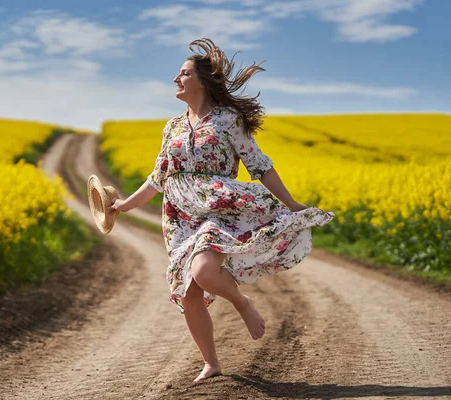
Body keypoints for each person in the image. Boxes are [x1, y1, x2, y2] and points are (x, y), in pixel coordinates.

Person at [109, 38, 334, 382]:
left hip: (218, 210)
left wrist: (291, 204)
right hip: (179, 217)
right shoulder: (172, 127)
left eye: (183, 73)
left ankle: (242, 303)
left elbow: (259, 165)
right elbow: (158, 178)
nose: (175, 79)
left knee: (203, 271)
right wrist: (123, 205)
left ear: (201, 81)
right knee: (189, 292)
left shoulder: (229, 120)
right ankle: (211, 363)